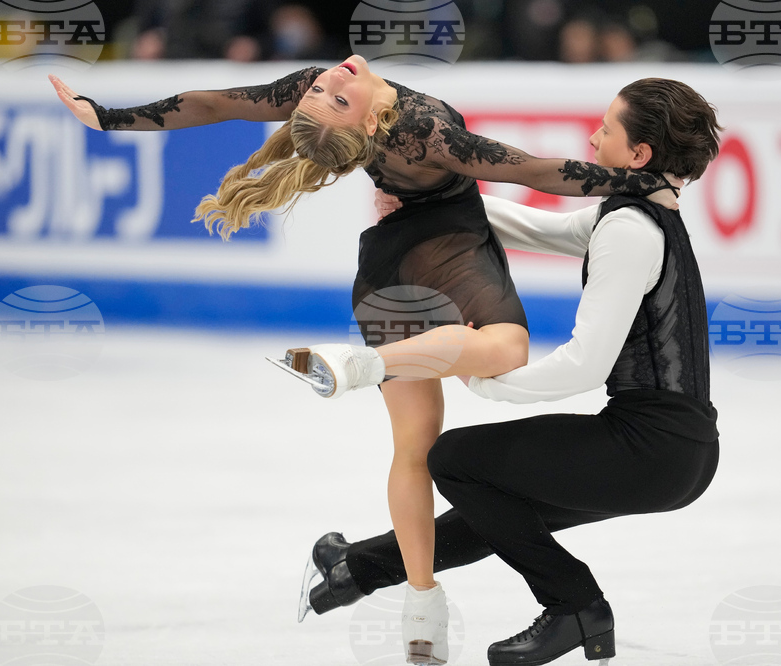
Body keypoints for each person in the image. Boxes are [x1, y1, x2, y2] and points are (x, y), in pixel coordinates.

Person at [49, 58, 678, 665]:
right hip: (451, 254)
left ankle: (423, 614)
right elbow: (534, 170)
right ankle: (362, 367)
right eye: (333, 97)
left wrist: (106, 118)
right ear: (371, 128)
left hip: (384, 268)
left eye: (323, 90)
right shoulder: (421, 131)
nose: (328, 80)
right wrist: (645, 183)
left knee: (413, 450)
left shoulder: (333, 98)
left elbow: (214, 104)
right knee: (508, 347)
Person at [301, 77, 722, 666]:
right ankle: (358, 568)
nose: (593, 135)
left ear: (638, 156)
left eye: (607, 128)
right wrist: (429, 203)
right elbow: (542, 229)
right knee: (493, 509)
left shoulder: (629, 231)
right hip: (679, 448)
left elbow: (584, 364)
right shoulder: (635, 214)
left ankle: (578, 606)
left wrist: (486, 379)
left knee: (456, 460)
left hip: (651, 448)